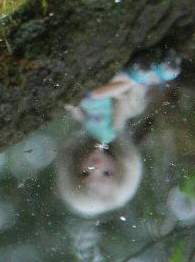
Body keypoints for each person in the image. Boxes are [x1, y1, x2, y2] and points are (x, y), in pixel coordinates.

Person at [55, 62, 179, 217]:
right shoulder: (111, 131)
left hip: (89, 92)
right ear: (122, 167)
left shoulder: (87, 127)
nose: (96, 167)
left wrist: (71, 104)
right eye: (106, 173)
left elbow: (75, 109)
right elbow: (120, 107)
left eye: (85, 173)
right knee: (124, 85)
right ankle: (147, 73)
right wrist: (121, 95)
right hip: (109, 92)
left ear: (73, 169)